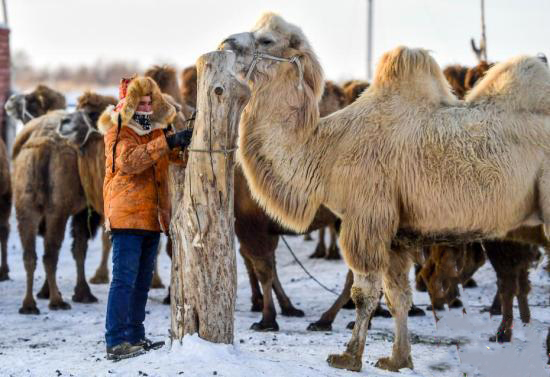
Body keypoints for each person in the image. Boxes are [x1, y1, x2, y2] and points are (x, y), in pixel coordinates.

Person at [99, 76, 193, 360]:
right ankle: (116, 341)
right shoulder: (117, 131)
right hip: (127, 216)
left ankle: (135, 336)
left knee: (141, 281)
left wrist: (186, 140)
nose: (147, 105)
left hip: (152, 217)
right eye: (141, 101)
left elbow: (176, 157)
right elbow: (130, 162)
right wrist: (167, 141)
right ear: (129, 103)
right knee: (124, 280)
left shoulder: (155, 131)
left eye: (151, 100)